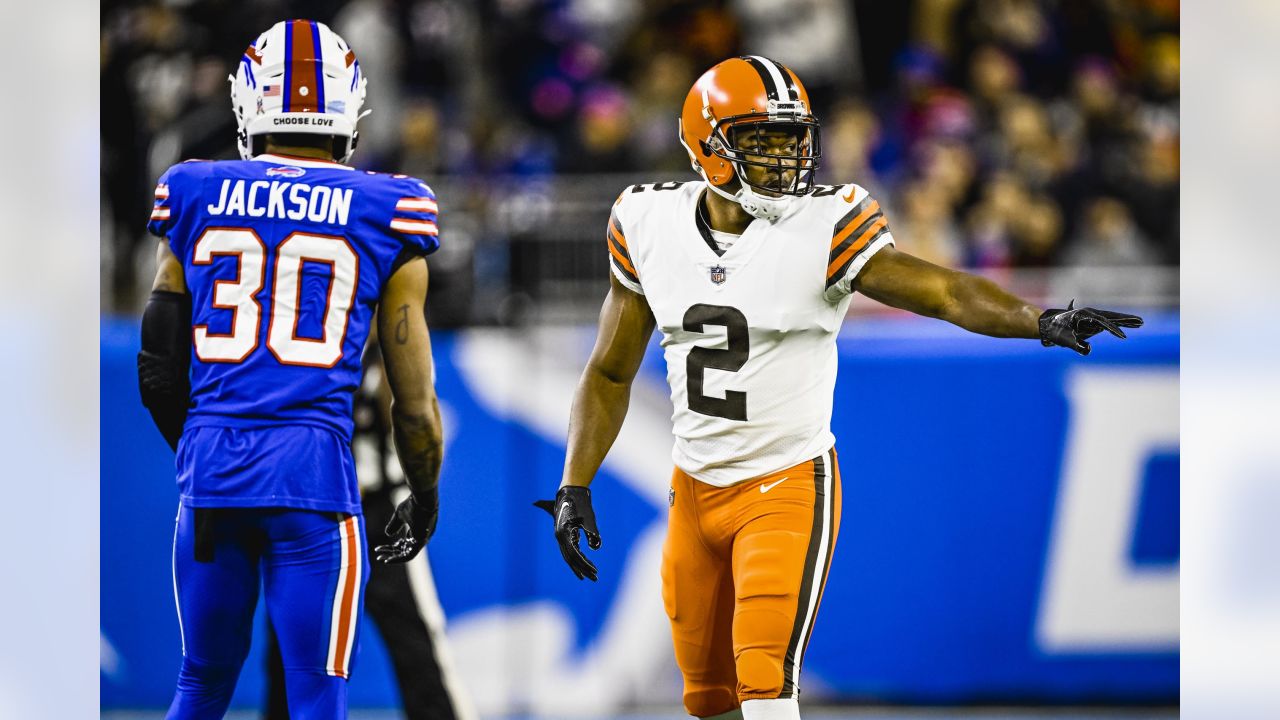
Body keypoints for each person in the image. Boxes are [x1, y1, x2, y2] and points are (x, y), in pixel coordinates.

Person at [536, 56, 1142, 720]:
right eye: (761, 141)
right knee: (707, 700)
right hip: (692, 491)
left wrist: (1041, 319)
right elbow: (610, 370)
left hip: (785, 486)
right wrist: (574, 482)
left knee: (767, 689)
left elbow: (942, 291)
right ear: (706, 145)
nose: (784, 159)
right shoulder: (648, 223)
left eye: (791, 140)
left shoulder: (823, 226)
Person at [137, 20, 444, 719]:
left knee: (200, 684)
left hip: (213, 472)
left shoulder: (193, 188)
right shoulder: (388, 207)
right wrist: (423, 496)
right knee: (315, 696)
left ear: (249, 103)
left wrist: (204, 452)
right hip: (314, 479)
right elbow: (415, 405)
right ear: (351, 110)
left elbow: (156, 367)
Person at [263, 343, 477, 720]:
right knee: (290, 651)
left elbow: (414, 415)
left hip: (381, 514)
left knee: (417, 646)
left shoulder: (393, 340)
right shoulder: (303, 333)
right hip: (313, 511)